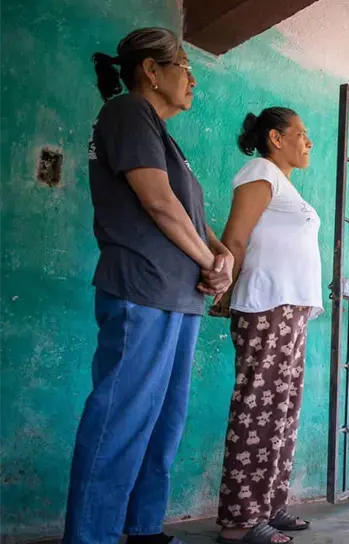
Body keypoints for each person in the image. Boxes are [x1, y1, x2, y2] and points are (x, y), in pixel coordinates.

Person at [65, 27, 233, 544]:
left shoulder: (164, 137)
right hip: (142, 289)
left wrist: (222, 255)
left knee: (162, 422)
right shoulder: (127, 112)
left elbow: (187, 211)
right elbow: (158, 203)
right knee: (121, 418)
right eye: (185, 67)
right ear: (151, 71)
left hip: (180, 296)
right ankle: (91, 536)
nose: (193, 79)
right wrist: (210, 260)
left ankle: (142, 528)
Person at [209, 108, 323, 543]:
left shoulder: (286, 185)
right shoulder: (260, 171)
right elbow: (236, 237)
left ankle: (269, 506)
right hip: (266, 306)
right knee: (257, 409)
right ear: (276, 138)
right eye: (301, 133)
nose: (308, 142)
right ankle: (240, 520)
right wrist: (224, 292)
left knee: (282, 413)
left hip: (290, 310)